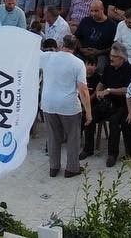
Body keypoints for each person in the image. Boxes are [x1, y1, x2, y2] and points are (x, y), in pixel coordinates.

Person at [40, 36, 92, 178]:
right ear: (75, 48)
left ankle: (53, 166)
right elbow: (83, 90)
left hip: (48, 103)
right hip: (68, 105)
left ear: (61, 44)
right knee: (73, 137)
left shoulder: (48, 57)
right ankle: (72, 168)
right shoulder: (78, 63)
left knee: (53, 137)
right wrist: (89, 112)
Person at [88, 43, 131, 165]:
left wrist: (109, 90)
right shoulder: (109, 68)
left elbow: (127, 90)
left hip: (124, 104)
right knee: (90, 114)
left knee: (114, 122)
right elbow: (102, 82)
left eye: (114, 56)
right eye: (110, 55)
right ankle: (88, 149)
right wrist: (98, 91)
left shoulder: (130, 70)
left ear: (122, 58)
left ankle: (112, 154)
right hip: (108, 102)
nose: (111, 58)